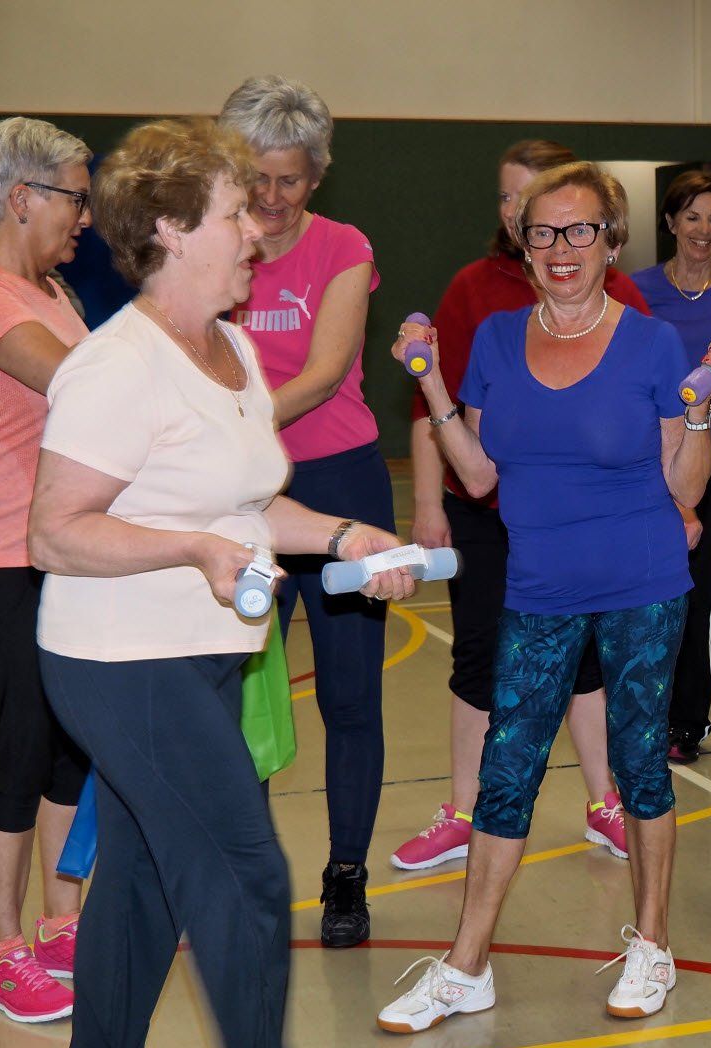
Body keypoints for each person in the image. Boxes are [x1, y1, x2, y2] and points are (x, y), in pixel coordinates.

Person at [31, 117, 414, 1048]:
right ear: (170, 228)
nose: (258, 231)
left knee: (145, 884)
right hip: (123, 667)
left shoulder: (234, 349)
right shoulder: (116, 369)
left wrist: (341, 537)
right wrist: (192, 551)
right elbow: (59, 533)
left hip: (198, 661)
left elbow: (242, 506)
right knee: (243, 874)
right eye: (237, 213)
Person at [379, 162, 711, 1031]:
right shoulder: (500, 339)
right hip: (538, 587)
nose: (562, 248)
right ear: (523, 245)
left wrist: (699, 409)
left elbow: (683, 487)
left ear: (612, 241)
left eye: (581, 230)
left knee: (638, 765)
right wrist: (429, 382)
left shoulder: (652, 344)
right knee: (506, 772)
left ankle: (652, 944)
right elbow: (477, 473)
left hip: (642, 583)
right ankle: (467, 966)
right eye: (543, 233)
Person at [393, 139, 652, 871]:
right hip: (485, 512)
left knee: (586, 665)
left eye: (535, 198)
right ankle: (464, 810)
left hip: (578, 522)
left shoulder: (620, 298)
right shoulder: (474, 290)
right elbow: (427, 402)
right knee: (480, 657)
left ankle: (606, 804)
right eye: (508, 198)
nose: (521, 212)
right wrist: (426, 504)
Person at [220, 75, 390, 948]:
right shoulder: (212, 248)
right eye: (256, 177)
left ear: (316, 176)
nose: (272, 198)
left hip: (339, 483)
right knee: (240, 694)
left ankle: (346, 873)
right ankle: (245, 873)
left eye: (289, 179)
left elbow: (324, 372)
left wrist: (223, 429)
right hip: (242, 497)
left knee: (351, 696)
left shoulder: (344, 248)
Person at [0, 116, 91, 1025]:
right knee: (15, 755)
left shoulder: (54, 287)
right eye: (72, 196)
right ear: (20, 197)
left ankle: (61, 919)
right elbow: (81, 390)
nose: (86, 216)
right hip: (8, 561)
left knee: (70, 745)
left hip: (66, 554)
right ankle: (3, 943)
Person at [633, 170, 711, 764]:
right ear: (670, 222)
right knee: (654, 585)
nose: (703, 230)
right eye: (692, 217)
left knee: (703, 585)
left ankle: (687, 722)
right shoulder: (636, 291)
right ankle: (643, 709)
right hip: (655, 456)